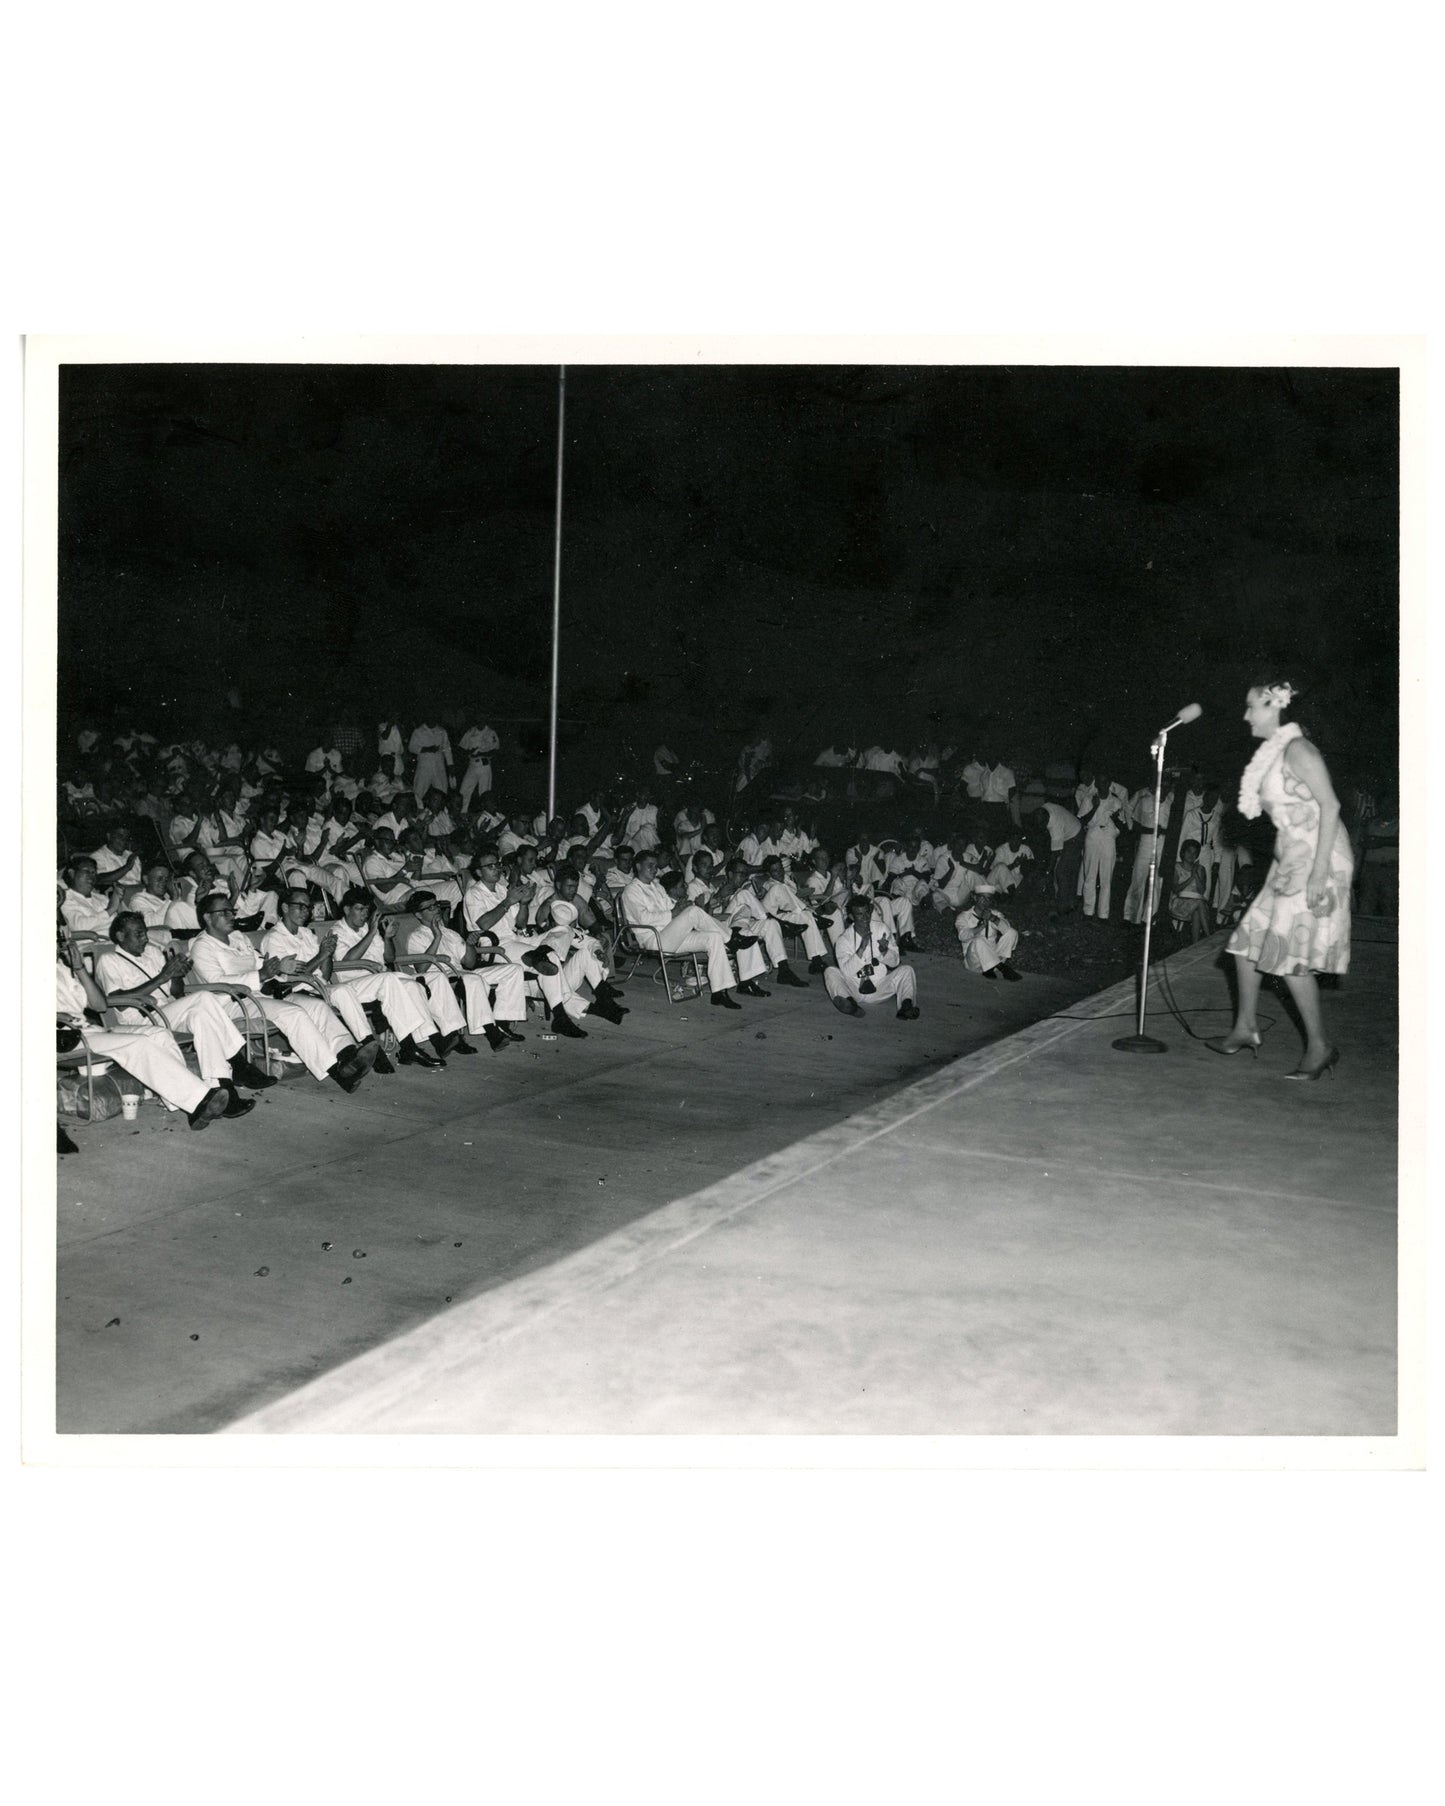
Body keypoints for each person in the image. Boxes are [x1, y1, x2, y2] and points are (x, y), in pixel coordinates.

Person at [1209, 679, 1353, 1079]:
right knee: (1247, 943)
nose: (1245, 715)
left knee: (1290, 955)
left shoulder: (1298, 749)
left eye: (1251, 706)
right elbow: (1290, 815)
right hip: (1291, 857)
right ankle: (1245, 1027)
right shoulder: (1274, 754)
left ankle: (1320, 1046)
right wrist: (1278, 861)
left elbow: (1330, 805)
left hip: (1319, 856)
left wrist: (1319, 872)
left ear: (1274, 708)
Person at [95, 910, 276, 1106]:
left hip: (168, 1010)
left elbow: (177, 993)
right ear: (121, 936)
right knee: (204, 998)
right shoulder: (109, 960)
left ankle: (221, 1087)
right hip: (142, 1017)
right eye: (138, 934)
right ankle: (238, 1064)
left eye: (145, 932)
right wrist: (162, 977)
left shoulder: (154, 953)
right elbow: (119, 1003)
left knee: (201, 1015)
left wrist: (177, 975)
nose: (145, 938)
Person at [57, 943, 245, 1131]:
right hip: (62, 1036)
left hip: (88, 1030)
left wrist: (80, 968)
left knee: (159, 1034)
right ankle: (199, 1100)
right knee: (138, 1044)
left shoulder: (63, 969)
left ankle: (181, 1102)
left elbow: (99, 1006)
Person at [619, 851, 743, 1009]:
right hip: (654, 939)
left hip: (671, 934)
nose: (654, 870)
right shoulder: (631, 890)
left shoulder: (657, 887)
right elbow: (644, 918)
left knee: (713, 937)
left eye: (656, 866)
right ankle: (732, 939)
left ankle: (720, 992)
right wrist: (674, 913)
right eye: (650, 866)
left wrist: (680, 907)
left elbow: (671, 909)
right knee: (694, 913)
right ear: (638, 866)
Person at [824, 894, 920, 1019]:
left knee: (907, 970)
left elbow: (895, 962)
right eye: (859, 914)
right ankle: (850, 1004)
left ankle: (906, 1006)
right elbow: (846, 972)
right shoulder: (843, 940)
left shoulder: (881, 929)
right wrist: (861, 949)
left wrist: (884, 951)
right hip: (854, 987)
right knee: (830, 971)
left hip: (879, 985)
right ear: (851, 917)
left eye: (867, 913)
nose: (865, 918)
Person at [954, 884, 1022, 980]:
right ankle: (1003, 968)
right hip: (975, 962)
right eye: (982, 898)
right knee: (978, 940)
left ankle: (993, 966)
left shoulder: (994, 914)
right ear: (975, 897)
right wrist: (981, 926)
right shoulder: (964, 916)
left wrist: (992, 918)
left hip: (994, 957)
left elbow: (1007, 929)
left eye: (989, 899)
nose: (985, 902)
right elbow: (962, 936)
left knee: (1012, 932)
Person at [1168, 840, 1213, 942]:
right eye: (1189, 851)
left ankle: (1195, 944)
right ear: (1183, 852)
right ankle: (1209, 936)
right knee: (1200, 903)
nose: (1191, 855)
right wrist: (1191, 878)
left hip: (1196, 902)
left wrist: (1196, 874)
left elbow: (1201, 891)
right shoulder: (1176, 867)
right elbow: (1175, 889)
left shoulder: (1201, 869)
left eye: (1194, 853)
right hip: (1179, 903)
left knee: (1197, 911)